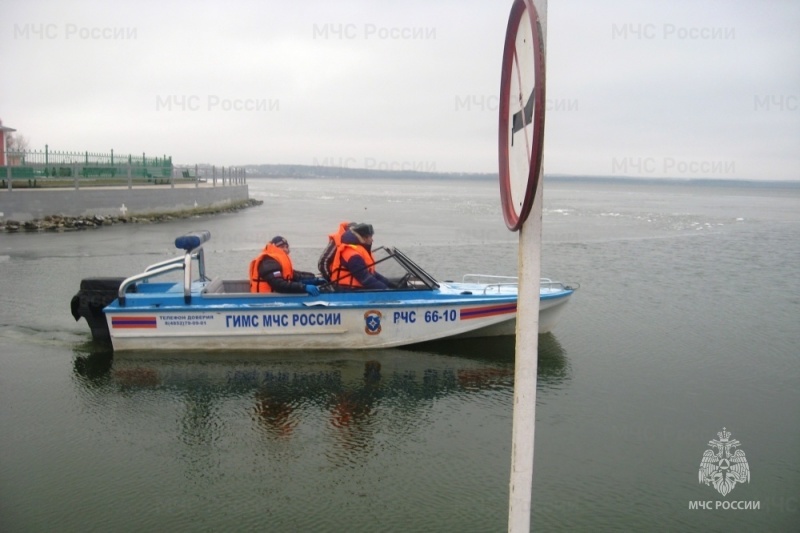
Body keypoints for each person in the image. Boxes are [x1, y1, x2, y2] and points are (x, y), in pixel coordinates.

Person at [249, 236, 324, 295]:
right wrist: (303, 287)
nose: (285, 249)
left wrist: (315, 278)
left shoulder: (278, 261)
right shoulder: (268, 261)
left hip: (277, 298)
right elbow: (279, 285)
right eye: (282, 247)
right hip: (266, 300)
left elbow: (295, 275)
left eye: (286, 247)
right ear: (275, 247)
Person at [330, 223, 393, 290]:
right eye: (370, 237)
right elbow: (364, 278)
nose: (372, 240)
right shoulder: (353, 255)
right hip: (348, 290)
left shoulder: (356, 251)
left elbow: (371, 273)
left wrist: (389, 284)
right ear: (364, 238)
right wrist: (386, 289)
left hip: (352, 289)